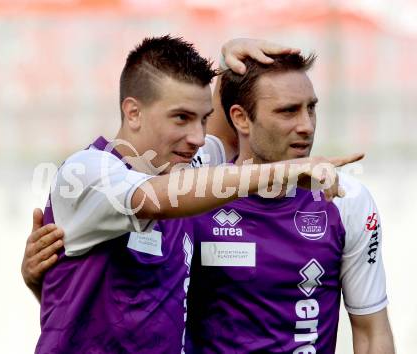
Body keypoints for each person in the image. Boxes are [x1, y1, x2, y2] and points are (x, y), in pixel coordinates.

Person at [22, 37, 361, 353]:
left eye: (203, 119)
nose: (198, 137)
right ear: (133, 112)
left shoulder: (186, 166)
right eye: (181, 118)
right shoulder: (89, 172)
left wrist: (231, 60)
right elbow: (155, 199)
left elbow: (230, 132)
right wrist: (287, 170)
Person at [184, 55, 395, 353]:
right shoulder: (193, 196)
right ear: (241, 118)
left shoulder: (345, 199)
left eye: (311, 108)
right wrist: (225, 57)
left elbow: (372, 333)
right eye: (288, 111)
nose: (306, 126)